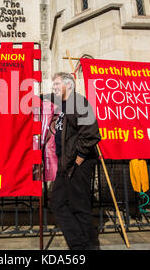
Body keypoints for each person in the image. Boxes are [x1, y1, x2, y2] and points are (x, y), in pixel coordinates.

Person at [49, 72, 101, 250]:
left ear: (68, 85)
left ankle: (89, 247)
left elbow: (91, 132)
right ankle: (79, 244)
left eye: (57, 84)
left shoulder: (77, 102)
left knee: (79, 207)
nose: (54, 87)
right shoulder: (64, 105)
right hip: (67, 164)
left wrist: (79, 158)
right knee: (58, 203)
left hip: (78, 163)